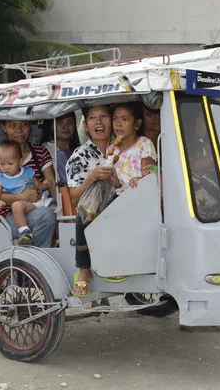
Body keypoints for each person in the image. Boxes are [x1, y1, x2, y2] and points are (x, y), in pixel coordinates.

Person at [66, 105, 119, 296]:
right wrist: (92, 177)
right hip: (96, 215)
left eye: (104, 116)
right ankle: (84, 267)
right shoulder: (79, 156)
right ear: (86, 126)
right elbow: (74, 199)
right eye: (92, 118)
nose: (99, 122)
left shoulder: (123, 149)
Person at [0, 120, 57, 248]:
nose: (19, 130)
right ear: (4, 127)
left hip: (37, 207)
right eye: (12, 125)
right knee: (47, 215)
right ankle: (36, 257)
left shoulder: (41, 153)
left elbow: (52, 188)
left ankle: (26, 248)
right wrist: (22, 198)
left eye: (24, 124)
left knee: (58, 213)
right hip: (10, 216)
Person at [111, 102, 157, 193]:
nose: (118, 124)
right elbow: (118, 184)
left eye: (124, 119)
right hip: (118, 200)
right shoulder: (111, 149)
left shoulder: (144, 144)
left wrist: (139, 179)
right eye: (114, 119)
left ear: (137, 124)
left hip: (139, 196)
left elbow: (149, 176)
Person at [40, 112, 80, 185]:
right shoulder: (45, 150)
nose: (66, 126)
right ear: (51, 126)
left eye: (70, 122)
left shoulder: (79, 150)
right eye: (60, 122)